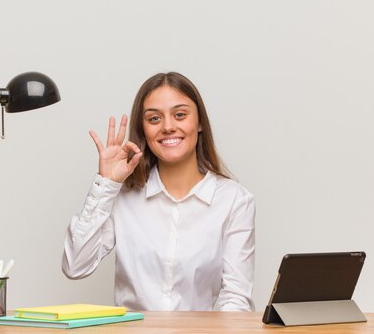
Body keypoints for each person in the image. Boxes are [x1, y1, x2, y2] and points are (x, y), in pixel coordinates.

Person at [62, 72, 255, 311]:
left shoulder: (234, 200)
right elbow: (75, 266)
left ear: (200, 122)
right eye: (154, 119)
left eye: (180, 115)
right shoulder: (123, 196)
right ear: (143, 130)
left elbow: (236, 300)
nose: (168, 127)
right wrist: (106, 184)